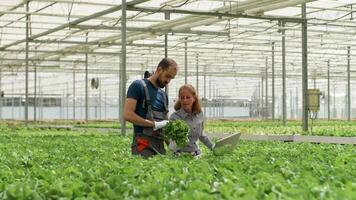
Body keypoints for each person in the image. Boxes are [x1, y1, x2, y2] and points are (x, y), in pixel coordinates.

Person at [123, 58, 178, 158]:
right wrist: (154, 124)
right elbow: (127, 115)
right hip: (143, 144)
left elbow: (164, 125)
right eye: (167, 76)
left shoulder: (163, 95)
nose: (168, 81)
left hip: (159, 145)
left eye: (171, 78)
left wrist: (171, 145)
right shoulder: (138, 86)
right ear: (159, 70)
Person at [169, 84, 214, 158]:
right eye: (182, 98)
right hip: (179, 154)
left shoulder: (200, 114)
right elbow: (173, 139)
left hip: (196, 153)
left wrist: (213, 147)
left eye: (188, 97)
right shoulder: (175, 117)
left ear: (194, 98)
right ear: (179, 99)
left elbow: (201, 135)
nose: (185, 100)